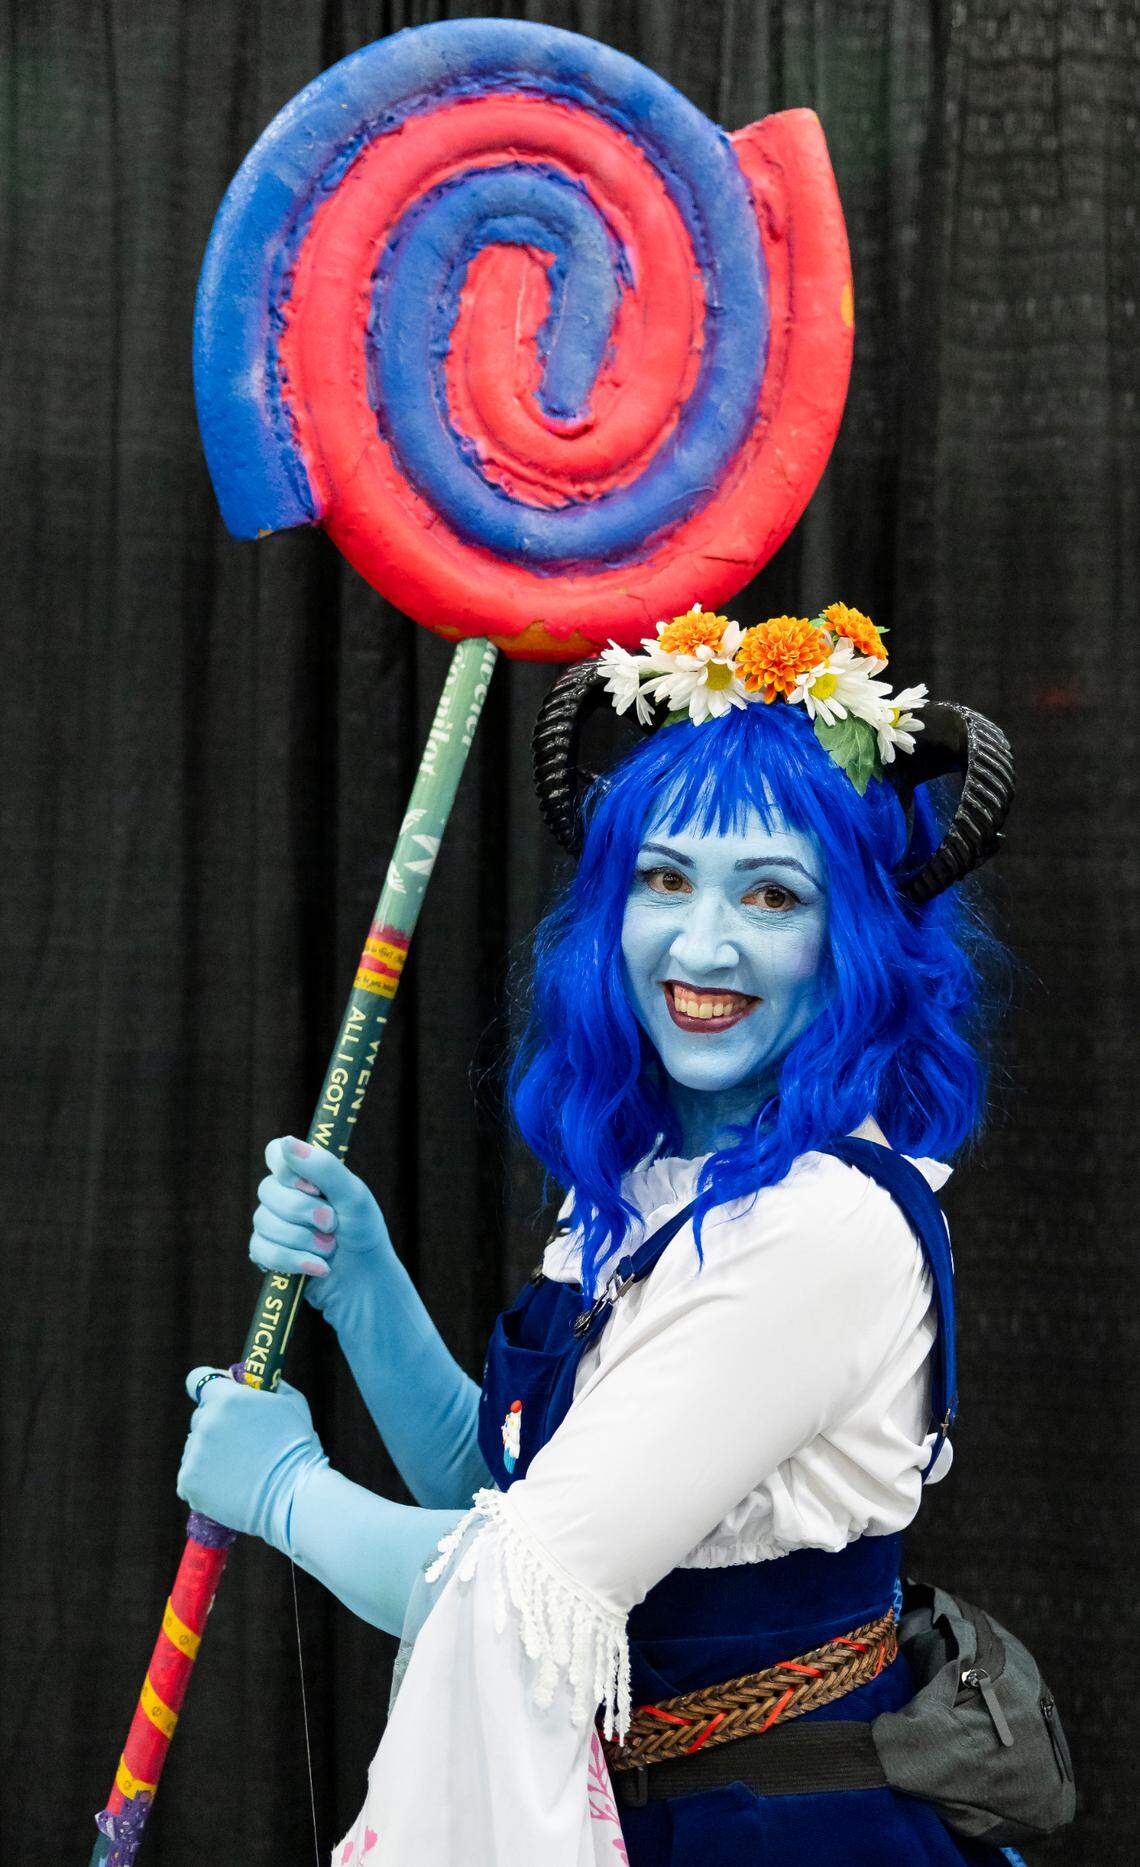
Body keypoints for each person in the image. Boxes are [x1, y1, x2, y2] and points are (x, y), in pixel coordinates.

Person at [178, 603, 1021, 1865]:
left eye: (772, 894)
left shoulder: (822, 1231)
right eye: (664, 878)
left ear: (850, 946)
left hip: (778, 1837)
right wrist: (365, 1285)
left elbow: (514, 1597)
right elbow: (503, 1495)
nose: (702, 943)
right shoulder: (652, 1185)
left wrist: (289, 1495)